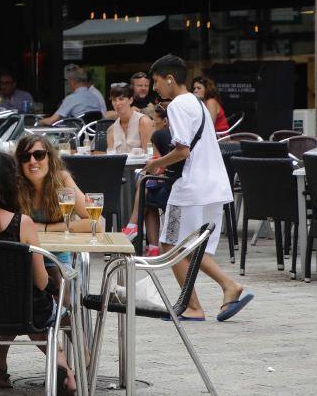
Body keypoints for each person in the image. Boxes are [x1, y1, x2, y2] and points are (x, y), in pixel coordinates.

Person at [0, 149, 76, 393]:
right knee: (41, 304)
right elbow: (40, 282)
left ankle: (0, 363)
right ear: (8, 182)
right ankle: (66, 369)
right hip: (27, 310)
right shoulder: (22, 223)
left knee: (18, 303)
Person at [144, 54, 252, 322]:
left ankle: (205, 299)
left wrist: (154, 164)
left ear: (170, 79)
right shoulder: (197, 102)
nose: (155, 88)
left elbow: (182, 150)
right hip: (213, 185)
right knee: (190, 245)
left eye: (156, 82)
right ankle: (214, 293)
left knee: (173, 243)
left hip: (191, 187)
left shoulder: (178, 105)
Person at [122, 101, 172, 254]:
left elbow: (157, 167)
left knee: (144, 181)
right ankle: (153, 248)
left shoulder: (158, 135)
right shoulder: (177, 134)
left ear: (164, 121)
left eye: (154, 119)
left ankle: (132, 226)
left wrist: (149, 171)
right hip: (176, 183)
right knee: (147, 189)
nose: (151, 122)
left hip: (169, 187)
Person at [39, 67, 105, 126]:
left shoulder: (71, 98)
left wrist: (39, 122)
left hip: (76, 136)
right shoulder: (95, 97)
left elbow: (51, 121)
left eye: (68, 81)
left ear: (72, 81)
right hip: (93, 135)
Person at [107, 83, 154, 154]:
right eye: (114, 100)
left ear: (131, 100)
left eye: (121, 99)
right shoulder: (111, 130)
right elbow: (110, 158)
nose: (117, 103)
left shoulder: (143, 121)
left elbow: (149, 154)